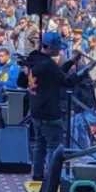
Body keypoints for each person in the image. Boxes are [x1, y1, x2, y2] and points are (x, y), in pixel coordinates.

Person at [26, 32, 71, 181]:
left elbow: (56, 75)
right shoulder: (49, 65)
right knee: (54, 146)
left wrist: (71, 62)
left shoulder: (33, 59)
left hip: (36, 109)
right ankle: (52, 177)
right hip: (49, 112)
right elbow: (67, 81)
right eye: (58, 47)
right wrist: (85, 72)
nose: (60, 51)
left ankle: (38, 175)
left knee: (39, 144)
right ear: (51, 48)